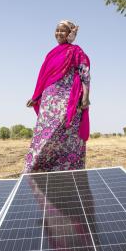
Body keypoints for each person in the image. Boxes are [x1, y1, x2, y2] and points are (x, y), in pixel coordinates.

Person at [23, 20, 91, 173]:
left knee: (69, 135)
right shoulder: (52, 53)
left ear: (69, 33)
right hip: (49, 101)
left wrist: (85, 96)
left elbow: (84, 73)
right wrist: (35, 97)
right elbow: (44, 77)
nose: (59, 33)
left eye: (63, 31)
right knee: (43, 136)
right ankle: (35, 170)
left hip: (70, 100)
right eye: (57, 30)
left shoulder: (76, 51)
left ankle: (69, 170)